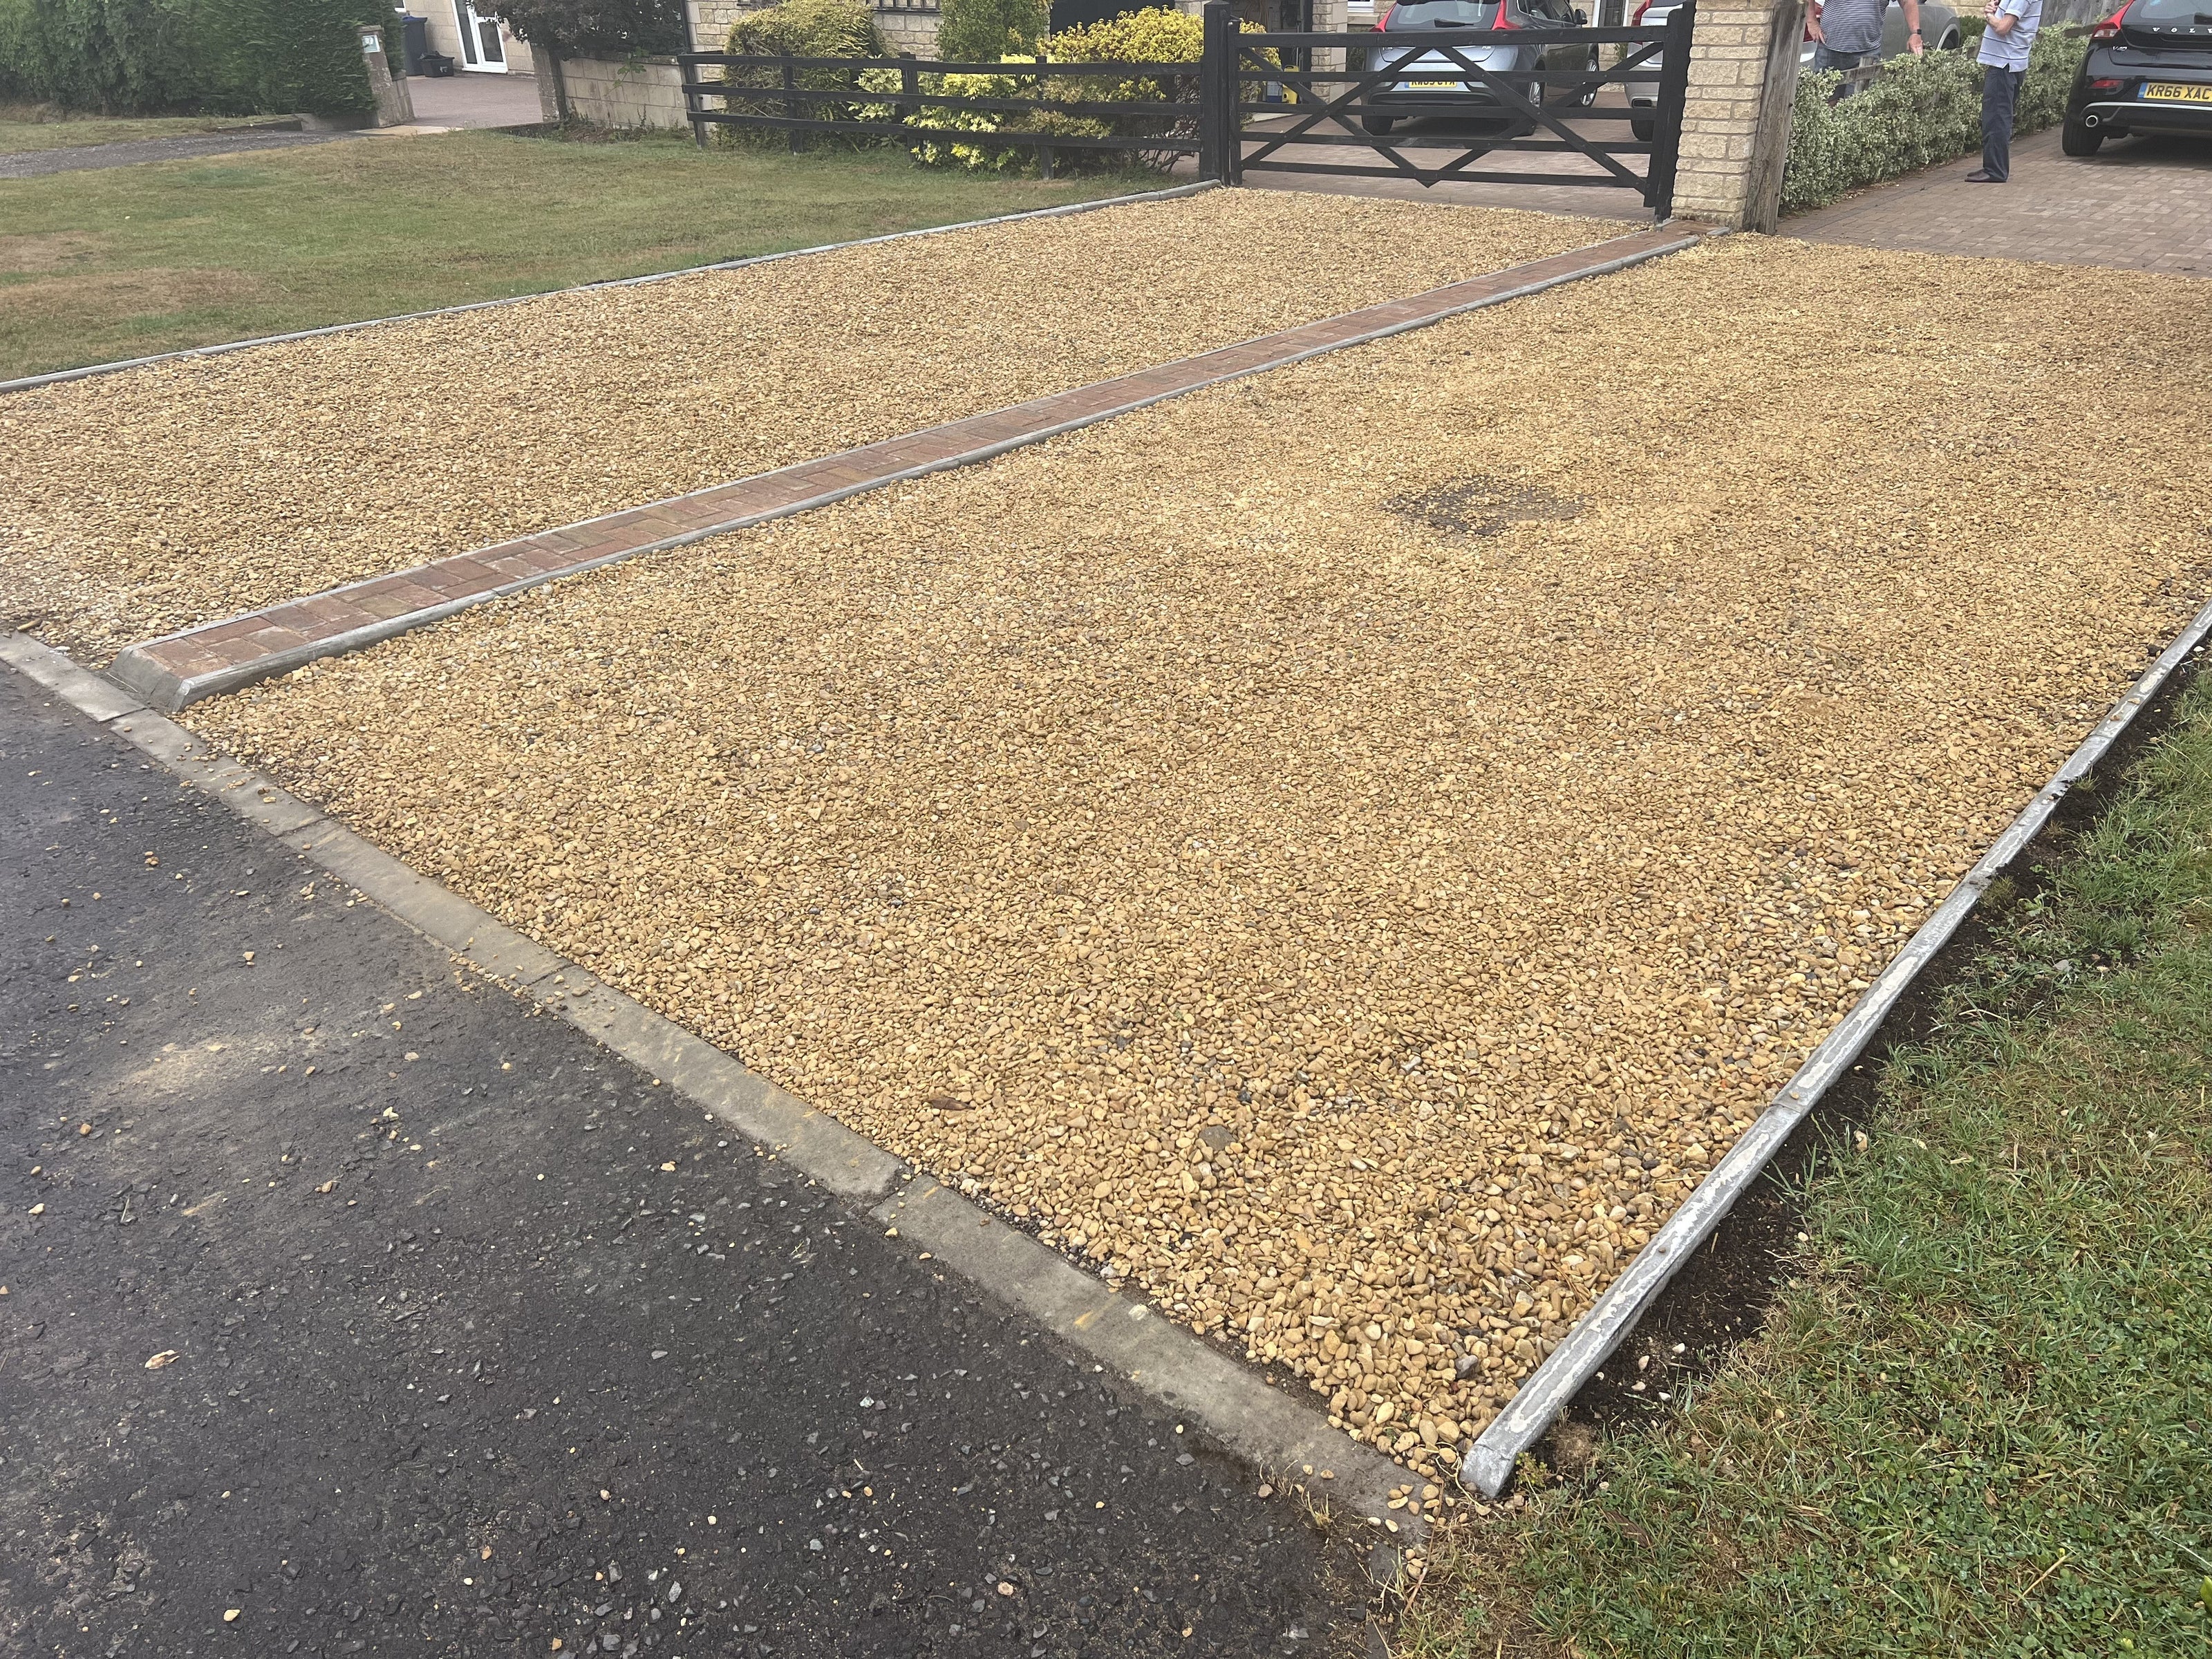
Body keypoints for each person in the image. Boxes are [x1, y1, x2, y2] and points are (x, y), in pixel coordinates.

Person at [1967, 0, 2043, 181]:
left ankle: (1995, 170)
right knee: (1997, 117)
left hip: (2005, 64)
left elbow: (2003, 27)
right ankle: (1993, 167)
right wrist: (1992, 10)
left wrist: (1989, 17)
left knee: (1997, 118)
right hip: (2009, 63)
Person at [1808, 0, 1923, 97]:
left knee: (1857, 106)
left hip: (1867, 55)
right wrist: (1811, 21)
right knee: (1826, 103)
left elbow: (1907, 2)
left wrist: (1915, 33)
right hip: (1829, 50)